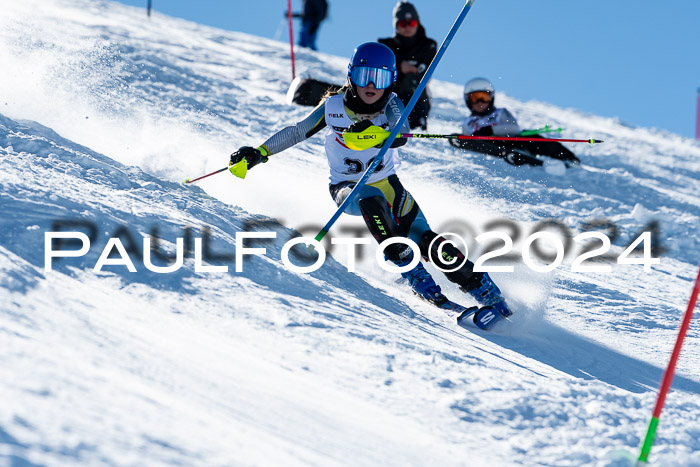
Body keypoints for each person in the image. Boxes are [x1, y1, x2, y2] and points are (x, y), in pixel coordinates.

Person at [229, 42, 513, 329]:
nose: (370, 85)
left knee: (428, 240)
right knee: (370, 200)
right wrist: (259, 152)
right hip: (347, 188)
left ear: (389, 81)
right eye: (364, 75)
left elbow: (400, 133)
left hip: (390, 185)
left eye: (379, 78)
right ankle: (414, 274)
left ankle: (485, 290)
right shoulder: (333, 106)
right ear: (351, 75)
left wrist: (375, 133)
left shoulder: (391, 105)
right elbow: (298, 131)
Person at [450, 77, 581, 167]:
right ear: (468, 101)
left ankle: (568, 158)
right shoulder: (469, 121)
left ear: (491, 98)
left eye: (484, 97)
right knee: (485, 140)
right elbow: (467, 140)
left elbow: (513, 129)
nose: (480, 103)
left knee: (531, 137)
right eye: (475, 98)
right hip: (487, 143)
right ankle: (505, 151)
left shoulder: (501, 112)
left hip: (508, 140)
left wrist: (492, 130)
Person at [378, 2, 436, 131]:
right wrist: (399, 65)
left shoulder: (427, 46)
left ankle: (415, 122)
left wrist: (404, 67)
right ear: (396, 25)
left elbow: (424, 73)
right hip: (389, 93)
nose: (408, 27)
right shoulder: (386, 45)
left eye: (412, 23)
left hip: (416, 98)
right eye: (403, 24)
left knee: (412, 80)